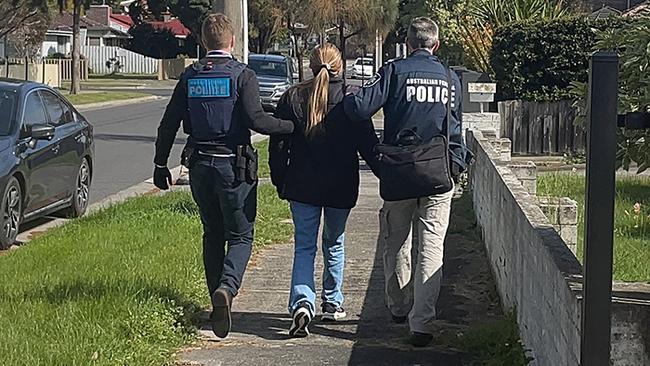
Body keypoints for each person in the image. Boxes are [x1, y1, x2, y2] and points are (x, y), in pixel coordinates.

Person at [152, 13, 294, 339]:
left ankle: (215, 296)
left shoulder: (190, 76)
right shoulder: (243, 75)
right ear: (232, 42)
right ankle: (227, 289)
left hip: (199, 166)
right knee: (241, 236)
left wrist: (161, 165)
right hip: (234, 167)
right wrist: (291, 127)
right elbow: (258, 120)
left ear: (203, 42)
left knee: (212, 234)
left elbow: (168, 124)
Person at [343, 17, 469, 347]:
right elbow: (456, 127)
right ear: (436, 45)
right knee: (431, 248)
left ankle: (398, 307)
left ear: (408, 42)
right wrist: (456, 167)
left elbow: (359, 109)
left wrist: (345, 94)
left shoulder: (394, 71)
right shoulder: (449, 77)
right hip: (437, 174)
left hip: (399, 172)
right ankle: (422, 323)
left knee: (396, 240)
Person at [268, 43, 379, 337]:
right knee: (335, 243)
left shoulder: (293, 97)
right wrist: (388, 174)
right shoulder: (350, 99)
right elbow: (368, 145)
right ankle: (332, 303)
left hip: (302, 186)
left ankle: (303, 303)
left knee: (304, 246)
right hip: (340, 186)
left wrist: (280, 180)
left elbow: (278, 145)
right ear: (340, 67)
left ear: (311, 66)